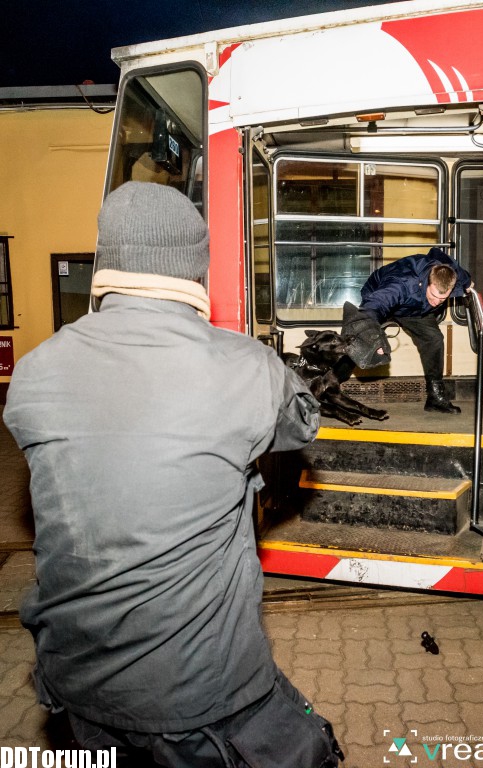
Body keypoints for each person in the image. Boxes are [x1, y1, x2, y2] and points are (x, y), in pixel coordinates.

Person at [3, 182, 343, 768]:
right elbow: (301, 423)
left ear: (106, 260)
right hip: (201, 698)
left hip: (76, 684)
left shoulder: (34, 373)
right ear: (193, 268)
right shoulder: (241, 366)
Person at [357, 248, 473, 414]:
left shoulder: (450, 275)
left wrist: (468, 283)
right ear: (428, 281)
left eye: (442, 299)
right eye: (433, 296)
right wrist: (370, 336)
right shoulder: (400, 283)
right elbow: (374, 306)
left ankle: (435, 397)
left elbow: (455, 269)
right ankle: (326, 386)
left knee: (434, 339)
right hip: (382, 300)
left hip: (412, 307)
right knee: (360, 342)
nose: (436, 303)